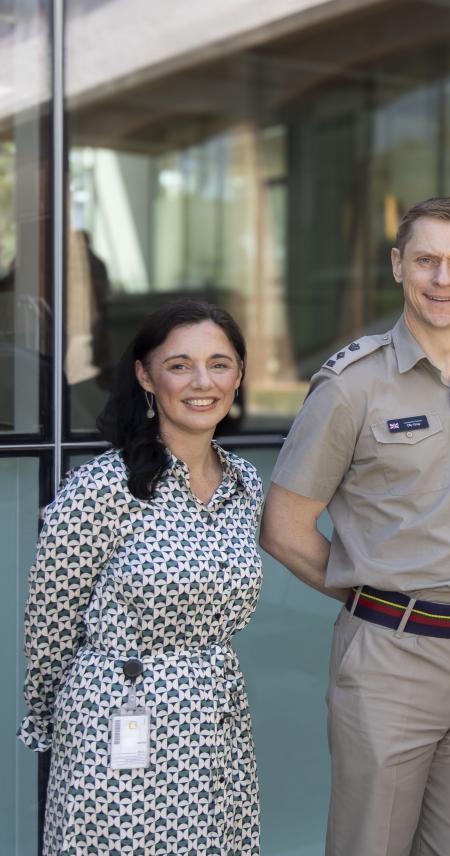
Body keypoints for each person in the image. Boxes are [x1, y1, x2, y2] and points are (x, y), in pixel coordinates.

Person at [260, 197, 450, 856]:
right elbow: (284, 526)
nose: (444, 278)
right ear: (398, 265)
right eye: (428, 260)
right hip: (389, 659)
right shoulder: (351, 386)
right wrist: (366, 594)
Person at [20, 299, 263, 854]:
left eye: (219, 364)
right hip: (118, 725)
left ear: (239, 375)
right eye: (179, 365)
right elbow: (49, 624)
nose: (203, 382)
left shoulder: (245, 484)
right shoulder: (104, 487)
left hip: (215, 723)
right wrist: (57, 721)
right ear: (145, 375)